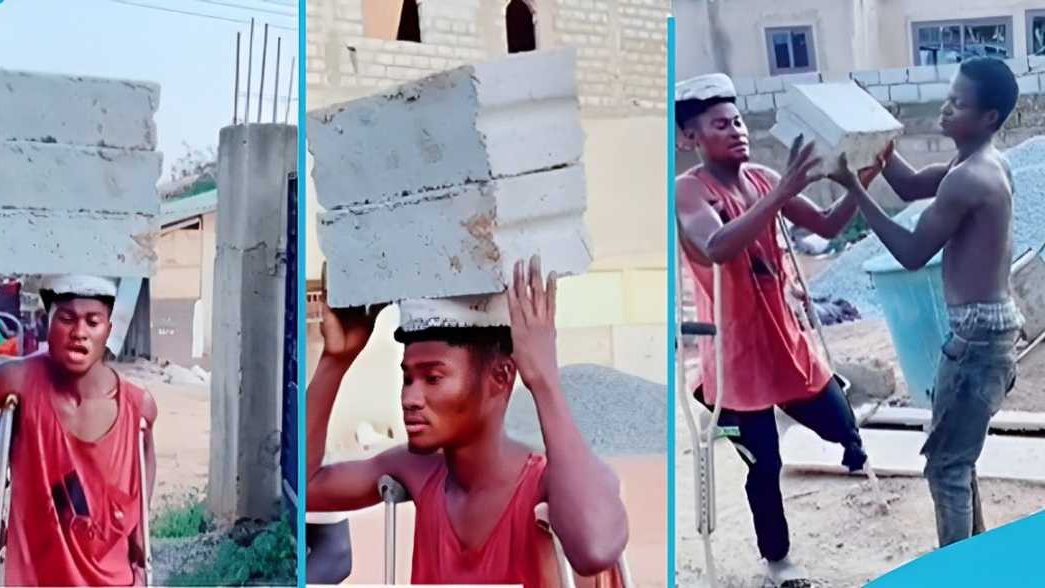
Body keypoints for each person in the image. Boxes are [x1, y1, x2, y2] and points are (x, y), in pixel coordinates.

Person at [674, 73, 886, 586]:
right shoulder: (687, 191)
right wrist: (784, 191)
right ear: (690, 138)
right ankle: (779, 563)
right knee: (763, 465)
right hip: (735, 356)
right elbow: (718, 245)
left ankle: (850, 447)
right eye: (721, 125)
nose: (738, 131)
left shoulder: (764, 178)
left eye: (739, 121)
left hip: (783, 339)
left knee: (840, 422)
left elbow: (829, 225)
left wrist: (863, 179)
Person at [306, 256, 628, 587]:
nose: (409, 398)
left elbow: (596, 549)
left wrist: (544, 380)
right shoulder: (421, 470)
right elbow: (304, 488)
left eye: (432, 378)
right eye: (408, 379)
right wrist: (336, 359)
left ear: (501, 376)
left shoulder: (549, 484)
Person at [827, 57, 1022, 548]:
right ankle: (976, 562)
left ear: (989, 118)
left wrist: (854, 188)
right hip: (990, 329)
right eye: (948, 96)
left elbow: (912, 252)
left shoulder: (970, 177)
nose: (945, 108)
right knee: (958, 459)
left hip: (977, 337)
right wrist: (877, 147)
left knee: (946, 469)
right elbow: (912, 185)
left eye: (959, 103)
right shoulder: (982, 162)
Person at [0, 275, 158, 586]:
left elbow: (145, 450)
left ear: (109, 331)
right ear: (47, 323)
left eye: (93, 322)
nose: (79, 333)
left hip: (113, 577)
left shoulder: (137, 405)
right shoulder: (15, 382)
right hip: (38, 575)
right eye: (66, 319)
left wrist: (140, 527)